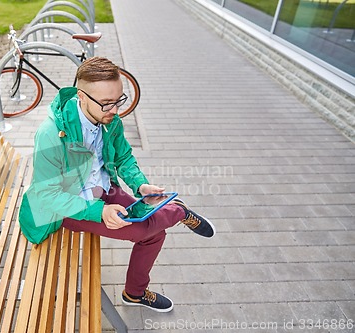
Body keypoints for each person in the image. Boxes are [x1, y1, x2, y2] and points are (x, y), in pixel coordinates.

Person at [19, 56, 215, 312]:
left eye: (118, 100)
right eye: (106, 103)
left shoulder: (109, 120)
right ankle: (178, 211)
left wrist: (140, 185)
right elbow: (47, 196)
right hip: (66, 207)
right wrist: (99, 211)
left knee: (155, 232)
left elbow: (123, 157)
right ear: (81, 96)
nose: (114, 110)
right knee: (145, 230)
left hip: (103, 189)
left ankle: (134, 293)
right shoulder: (51, 134)